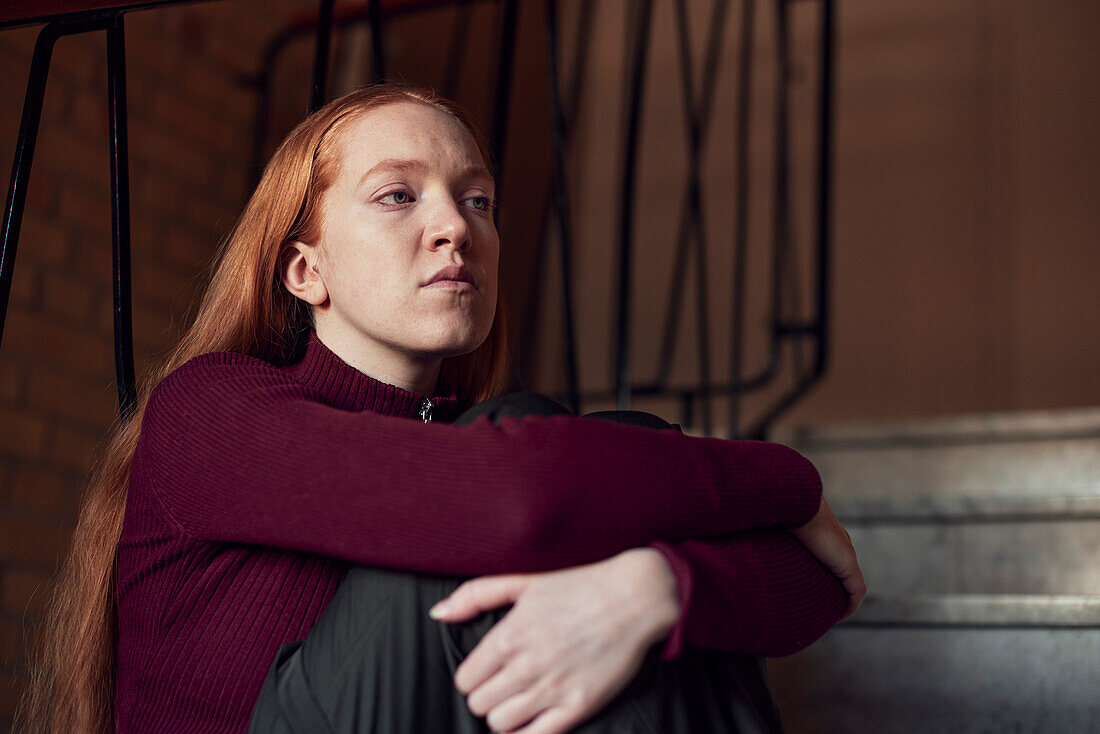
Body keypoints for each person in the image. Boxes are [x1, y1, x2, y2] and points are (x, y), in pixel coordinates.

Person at [18, 85, 864, 734]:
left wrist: (657, 589)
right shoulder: (207, 412)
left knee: (601, 475)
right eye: (398, 196)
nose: (455, 228)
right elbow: (512, 499)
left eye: (478, 200)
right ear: (304, 271)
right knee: (541, 456)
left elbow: (817, 585)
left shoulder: (505, 461)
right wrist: (786, 480)